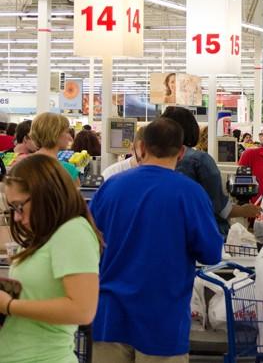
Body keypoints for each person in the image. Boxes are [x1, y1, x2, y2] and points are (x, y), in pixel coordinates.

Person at [91, 118, 223, 361]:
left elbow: (89, 245)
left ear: (141, 147)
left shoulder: (110, 187)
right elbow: (211, 253)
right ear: (181, 152)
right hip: (163, 321)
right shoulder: (191, 194)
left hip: (110, 317)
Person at [0, 155, 102, 361]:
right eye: (13, 209)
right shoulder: (45, 235)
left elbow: (82, 310)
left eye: (20, 206)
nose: (17, 217)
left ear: (45, 194)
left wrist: (9, 306)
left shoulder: (73, 232)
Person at [162, 106, 260, 236]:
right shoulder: (201, 160)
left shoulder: (152, 161)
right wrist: (244, 210)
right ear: (192, 128)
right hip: (202, 235)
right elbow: (219, 208)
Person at [29, 112, 80, 183]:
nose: (70, 138)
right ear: (55, 134)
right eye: (67, 132)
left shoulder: (22, 166)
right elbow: (74, 193)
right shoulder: (67, 169)